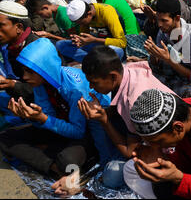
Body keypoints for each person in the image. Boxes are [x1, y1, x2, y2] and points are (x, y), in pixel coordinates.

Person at [51, 45, 175, 194]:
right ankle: (104, 162)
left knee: (111, 176)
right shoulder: (126, 71)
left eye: (94, 82)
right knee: (98, 120)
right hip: (145, 134)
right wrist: (103, 112)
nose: (90, 86)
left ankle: (102, 166)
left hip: (168, 148)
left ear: (112, 76)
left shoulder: (134, 100)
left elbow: (129, 153)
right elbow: (118, 109)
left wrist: (104, 120)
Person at [0, 38, 116, 183]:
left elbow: (78, 131)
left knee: (67, 160)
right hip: (62, 127)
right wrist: (31, 117)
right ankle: (53, 167)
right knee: (5, 137)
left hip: (84, 131)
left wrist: (43, 119)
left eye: (30, 71)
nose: (24, 77)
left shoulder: (74, 89)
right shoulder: (41, 84)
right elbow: (48, 118)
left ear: (45, 68)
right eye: (24, 71)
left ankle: (60, 159)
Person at [145, 0, 191, 98]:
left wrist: (169, 60)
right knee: (144, 76)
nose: (159, 24)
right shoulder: (163, 31)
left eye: (164, 20)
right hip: (175, 74)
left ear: (177, 18)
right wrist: (154, 53)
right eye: (158, 19)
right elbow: (157, 65)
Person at [56, 0, 126, 63]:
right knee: (60, 44)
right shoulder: (85, 12)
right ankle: (93, 61)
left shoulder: (107, 12)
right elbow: (85, 35)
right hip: (97, 44)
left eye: (81, 23)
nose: (80, 25)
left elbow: (122, 43)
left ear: (89, 14)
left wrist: (94, 39)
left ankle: (93, 62)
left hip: (112, 45)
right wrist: (79, 40)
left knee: (117, 51)